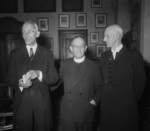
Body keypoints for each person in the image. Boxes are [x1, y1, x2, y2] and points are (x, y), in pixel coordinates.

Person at [7, 21, 59, 131]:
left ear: (37, 33)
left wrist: (39, 74)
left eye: (29, 32)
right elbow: (9, 79)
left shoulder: (47, 54)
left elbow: (54, 78)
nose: (26, 35)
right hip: (22, 103)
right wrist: (19, 83)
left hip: (42, 103)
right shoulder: (14, 54)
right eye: (23, 32)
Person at [100, 24, 146, 131]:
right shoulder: (104, 56)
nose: (104, 39)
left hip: (127, 107)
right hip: (107, 106)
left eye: (107, 36)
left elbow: (140, 82)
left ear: (116, 36)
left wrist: (131, 99)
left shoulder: (134, 56)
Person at [59, 36, 102, 131]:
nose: (78, 49)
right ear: (71, 48)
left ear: (85, 48)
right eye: (75, 46)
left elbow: (100, 87)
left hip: (85, 111)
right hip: (68, 112)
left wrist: (94, 102)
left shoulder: (94, 66)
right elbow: (57, 83)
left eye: (81, 46)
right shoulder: (64, 64)